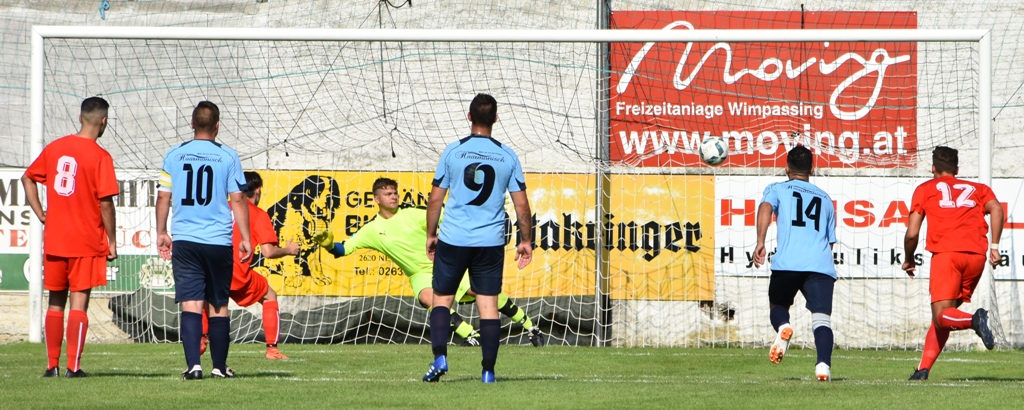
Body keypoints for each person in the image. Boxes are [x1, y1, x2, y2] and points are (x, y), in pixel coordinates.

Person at [311, 177, 543, 348]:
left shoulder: (412, 214)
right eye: (388, 194)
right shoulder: (371, 229)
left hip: (443, 264)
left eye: (395, 193)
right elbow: (343, 250)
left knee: (483, 291)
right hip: (419, 275)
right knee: (427, 297)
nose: (393, 196)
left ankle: (530, 326)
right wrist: (329, 245)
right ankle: (471, 335)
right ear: (377, 199)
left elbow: (445, 219)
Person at [421, 93, 533, 384]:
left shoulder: (453, 151)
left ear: (469, 117)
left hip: (453, 238)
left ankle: (440, 357)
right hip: (490, 242)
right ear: (495, 119)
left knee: (442, 300)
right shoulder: (507, 155)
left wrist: (431, 234)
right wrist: (526, 241)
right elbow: (521, 205)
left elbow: (435, 200)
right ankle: (488, 371)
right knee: (488, 306)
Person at [22, 97, 119, 378]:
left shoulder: (55, 148)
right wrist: (112, 239)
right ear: (104, 122)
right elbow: (105, 203)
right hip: (86, 240)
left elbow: (28, 178)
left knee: (55, 301)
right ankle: (73, 367)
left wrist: (41, 214)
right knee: (79, 302)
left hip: (56, 238)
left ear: (80, 118)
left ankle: (51, 366)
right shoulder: (100, 156)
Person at [156, 101, 252, 380]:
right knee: (218, 305)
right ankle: (219, 367)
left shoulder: (174, 154)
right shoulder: (228, 156)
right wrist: (246, 238)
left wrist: (161, 232)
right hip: (218, 241)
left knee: (191, 304)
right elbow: (238, 199)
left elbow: (163, 196)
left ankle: (194, 366)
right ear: (217, 125)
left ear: (192, 124)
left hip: (186, 240)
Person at [903, 146, 1001, 381]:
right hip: (976, 256)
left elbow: (912, 234)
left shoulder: (925, 189)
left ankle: (974, 320)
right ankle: (923, 370)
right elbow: (997, 209)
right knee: (945, 316)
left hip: (947, 254)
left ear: (933, 168)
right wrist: (995, 246)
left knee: (941, 316)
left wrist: (908, 258)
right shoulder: (978, 189)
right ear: (957, 169)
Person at [753, 145, 837, 382]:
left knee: (778, 305)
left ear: (786, 168)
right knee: (821, 319)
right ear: (812, 168)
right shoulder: (826, 199)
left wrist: (760, 241)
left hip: (788, 262)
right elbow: (830, 241)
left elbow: (765, 207)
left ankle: (783, 327)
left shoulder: (777, 188)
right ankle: (823, 366)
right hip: (820, 265)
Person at [200, 171, 300, 360]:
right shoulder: (257, 214)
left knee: (206, 299)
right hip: (237, 272)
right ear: (258, 190)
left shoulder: (219, 207)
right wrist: (288, 250)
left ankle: (201, 338)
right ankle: (272, 350)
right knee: (270, 296)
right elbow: (268, 252)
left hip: (210, 266)